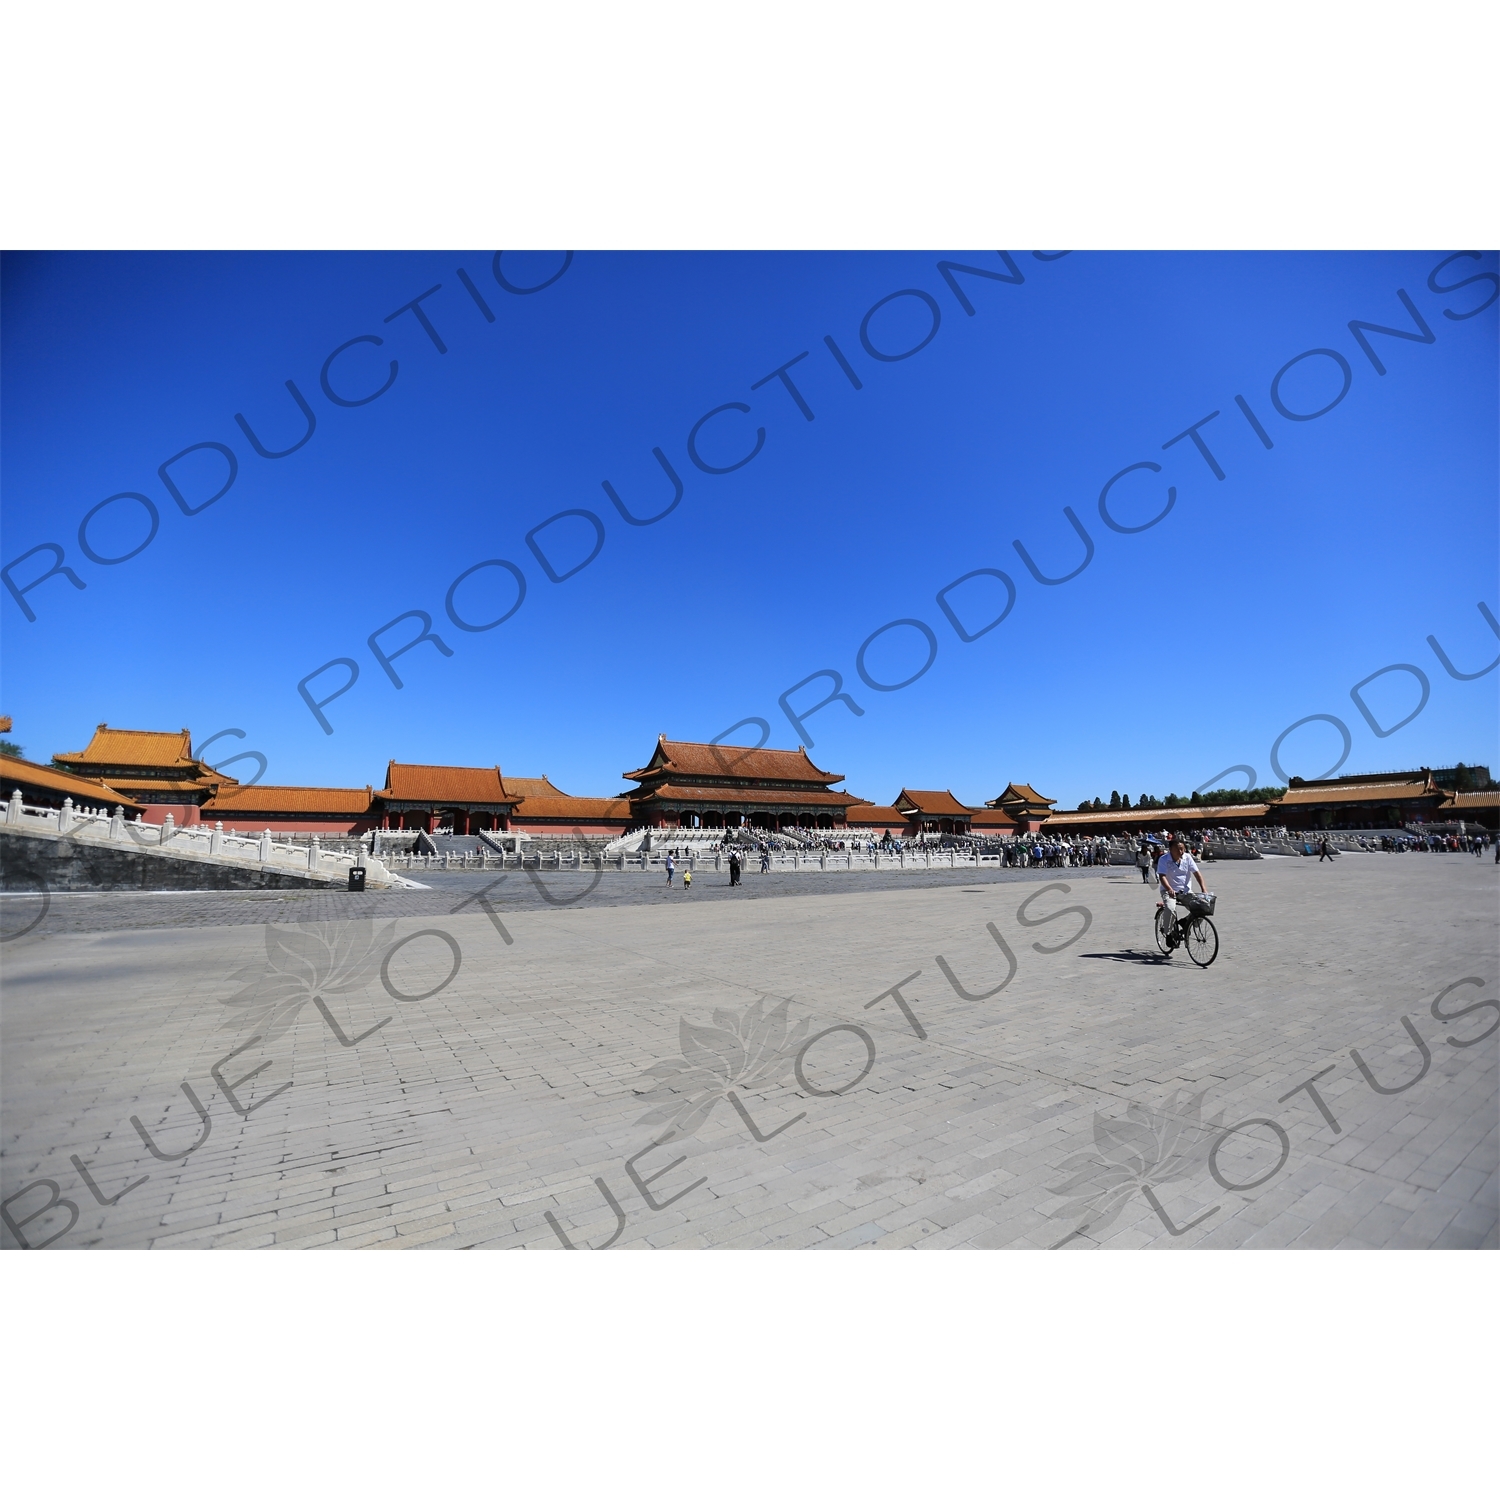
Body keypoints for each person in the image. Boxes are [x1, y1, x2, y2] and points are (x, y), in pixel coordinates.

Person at [1157, 837, 1209, 927]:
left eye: (1182, 849)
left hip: (1185, 891)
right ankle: (1168, 933)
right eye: (1177, 849)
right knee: (1170, 909)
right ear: (1170, 849)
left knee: (1202, 907)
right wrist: (1169, 889)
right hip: (1168, 891)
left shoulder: (1187, 857)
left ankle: (1185, 922)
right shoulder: (1163, 859)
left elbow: (1197, 874)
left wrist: (1203, 889)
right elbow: (1162, 876)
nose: (1180, 851)